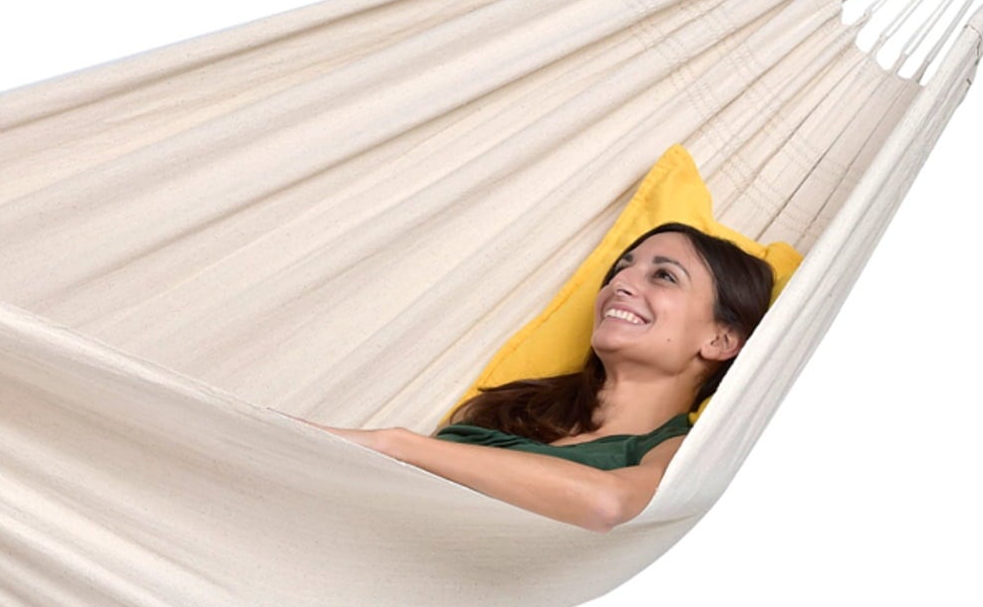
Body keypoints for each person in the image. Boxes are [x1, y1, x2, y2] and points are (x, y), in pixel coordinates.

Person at [296, 221, 776, 533]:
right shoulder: (515, 410)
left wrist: (396, 445)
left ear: (720, 340)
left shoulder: (675, 454)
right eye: (621, 269)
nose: (620, 283)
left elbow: (610, 506)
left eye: (664, 276)